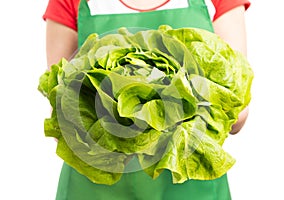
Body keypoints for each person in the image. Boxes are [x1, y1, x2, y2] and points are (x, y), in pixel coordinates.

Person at [42, 0, 251, 199]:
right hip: (94, 188)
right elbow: (62, 110)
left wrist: (154, 118)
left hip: (191, 188)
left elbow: (236, 113)